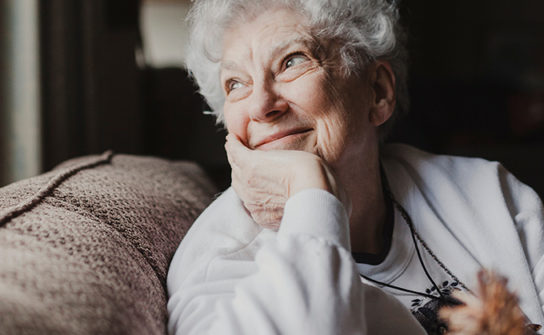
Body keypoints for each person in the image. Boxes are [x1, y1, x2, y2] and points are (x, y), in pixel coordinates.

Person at [166, 0, 544, 334]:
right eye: (236, 84)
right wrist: (310, 190)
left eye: (292, 61)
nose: (261, 105)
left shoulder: (491, 194)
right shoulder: (217, 262)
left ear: (378, 91)